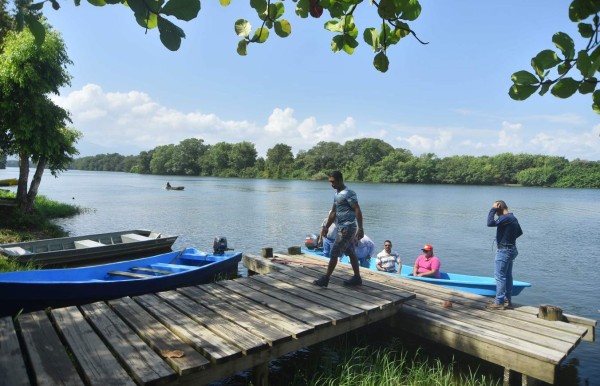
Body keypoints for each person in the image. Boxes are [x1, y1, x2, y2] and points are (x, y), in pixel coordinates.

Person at [313, 170, 364, 287]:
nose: (332, 184)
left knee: (334, 252)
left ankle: (325, 279)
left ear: (340, 180)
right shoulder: (336, 194)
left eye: (334, 182)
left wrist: (360, 228)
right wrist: (326, 227)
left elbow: (357, 209)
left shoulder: (348, 193)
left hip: (348, 228)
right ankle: (357, 278)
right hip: (342, 228)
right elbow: (333, 213)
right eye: (330, 182)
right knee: (350, 252)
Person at [486, 200, 523, 310]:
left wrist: (492, 209)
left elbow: (490, 223)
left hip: (504, 251)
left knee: (500, 277)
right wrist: (508, 237)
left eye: (496, 210)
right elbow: (519, 233)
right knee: (507, 276)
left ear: (499, 208)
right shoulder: (513, 218)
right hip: (511, 249)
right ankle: (507, 300)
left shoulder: (505, 217)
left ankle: (499, 302)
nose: (496, 213)